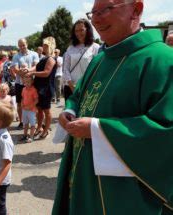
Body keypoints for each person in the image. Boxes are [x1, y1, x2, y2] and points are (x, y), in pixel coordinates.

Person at [53, 0, 173, 214]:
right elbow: (79, 95)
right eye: (94, 13)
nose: (97, 19)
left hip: (125, 195)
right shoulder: (99, 60)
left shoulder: (162, 60)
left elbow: (167, 132)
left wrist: (98, 130)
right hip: (83, 176)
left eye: (106, 9)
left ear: (136, 9)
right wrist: (69, 110)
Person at [25, 37, 56, 139]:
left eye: (45, 45)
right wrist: (28, 70)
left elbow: (46, 73)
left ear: (50, 46)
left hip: (46, 88)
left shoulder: (51, 59)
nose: (43, 47)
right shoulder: (43, 58)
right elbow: (36, 67)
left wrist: (32, 73)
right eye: (43, 45)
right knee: (39, 110)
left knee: (46, 110)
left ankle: (46, 130)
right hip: (39, 87)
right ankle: (39, 127)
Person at [62, 18, 100, 103]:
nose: (79, 33)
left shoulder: (95, 47)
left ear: (88, 30)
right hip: (70, 87)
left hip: (88, 88)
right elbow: (65, 69)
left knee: (84, 115)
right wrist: (72, 86)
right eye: (76, 31)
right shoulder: (70, 48)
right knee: (70, 114)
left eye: (81, 30)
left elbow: (98, 69)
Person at [11, 38, 39, 129]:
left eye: (23, 45)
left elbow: (36, 66)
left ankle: (34, 121)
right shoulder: (16, 56)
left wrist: (28, 71)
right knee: (20, 103)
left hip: (32, 82)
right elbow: (15, 69)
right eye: (20, 45)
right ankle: (21, 122)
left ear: (27, 44)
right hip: (19, 83)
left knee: (34, 101)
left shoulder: (34, 54)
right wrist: (23, 72)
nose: (22, 47)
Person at [20, 76, 38, 143]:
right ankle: (25, 135)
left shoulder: (33, 90)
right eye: (25, 82)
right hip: (24, 109)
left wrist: (30, 106)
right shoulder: (23, 89)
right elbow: (22, 98)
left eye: (28, 82)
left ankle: (31, 137)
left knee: (32, 124)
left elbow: (36, 100)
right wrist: (22, 103)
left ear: (32, 82)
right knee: (25, 123)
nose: (26, 83)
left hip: (31, 110)